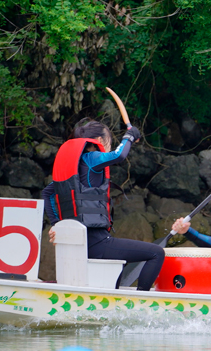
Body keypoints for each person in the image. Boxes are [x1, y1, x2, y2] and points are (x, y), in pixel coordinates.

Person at [43, 119, 164, 290]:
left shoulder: (73, 167)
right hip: (97, 244)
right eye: (109, 140)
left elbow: (47, 193)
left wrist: (57, 225)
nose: (110, 145)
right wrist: (129, 136)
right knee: (156, 253)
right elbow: (119, 155)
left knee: (121, 262)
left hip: (83, 244)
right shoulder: (92, 158)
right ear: (100, 141)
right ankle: (140, 304)